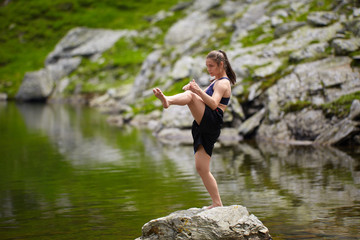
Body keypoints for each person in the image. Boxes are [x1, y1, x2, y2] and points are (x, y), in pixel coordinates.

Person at [153, 50, 236, 209]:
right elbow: (202, 99)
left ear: (221, 64)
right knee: (201, 168)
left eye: (211, 66)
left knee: (191, 96)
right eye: (207, 66)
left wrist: (196, 91)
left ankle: (167, 101)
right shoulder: (215, 81)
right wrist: (193, 89)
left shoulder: (223, 83)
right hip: (206, 123)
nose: (208, 69)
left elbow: (212, 104)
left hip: (212, 120)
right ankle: (217, 203)